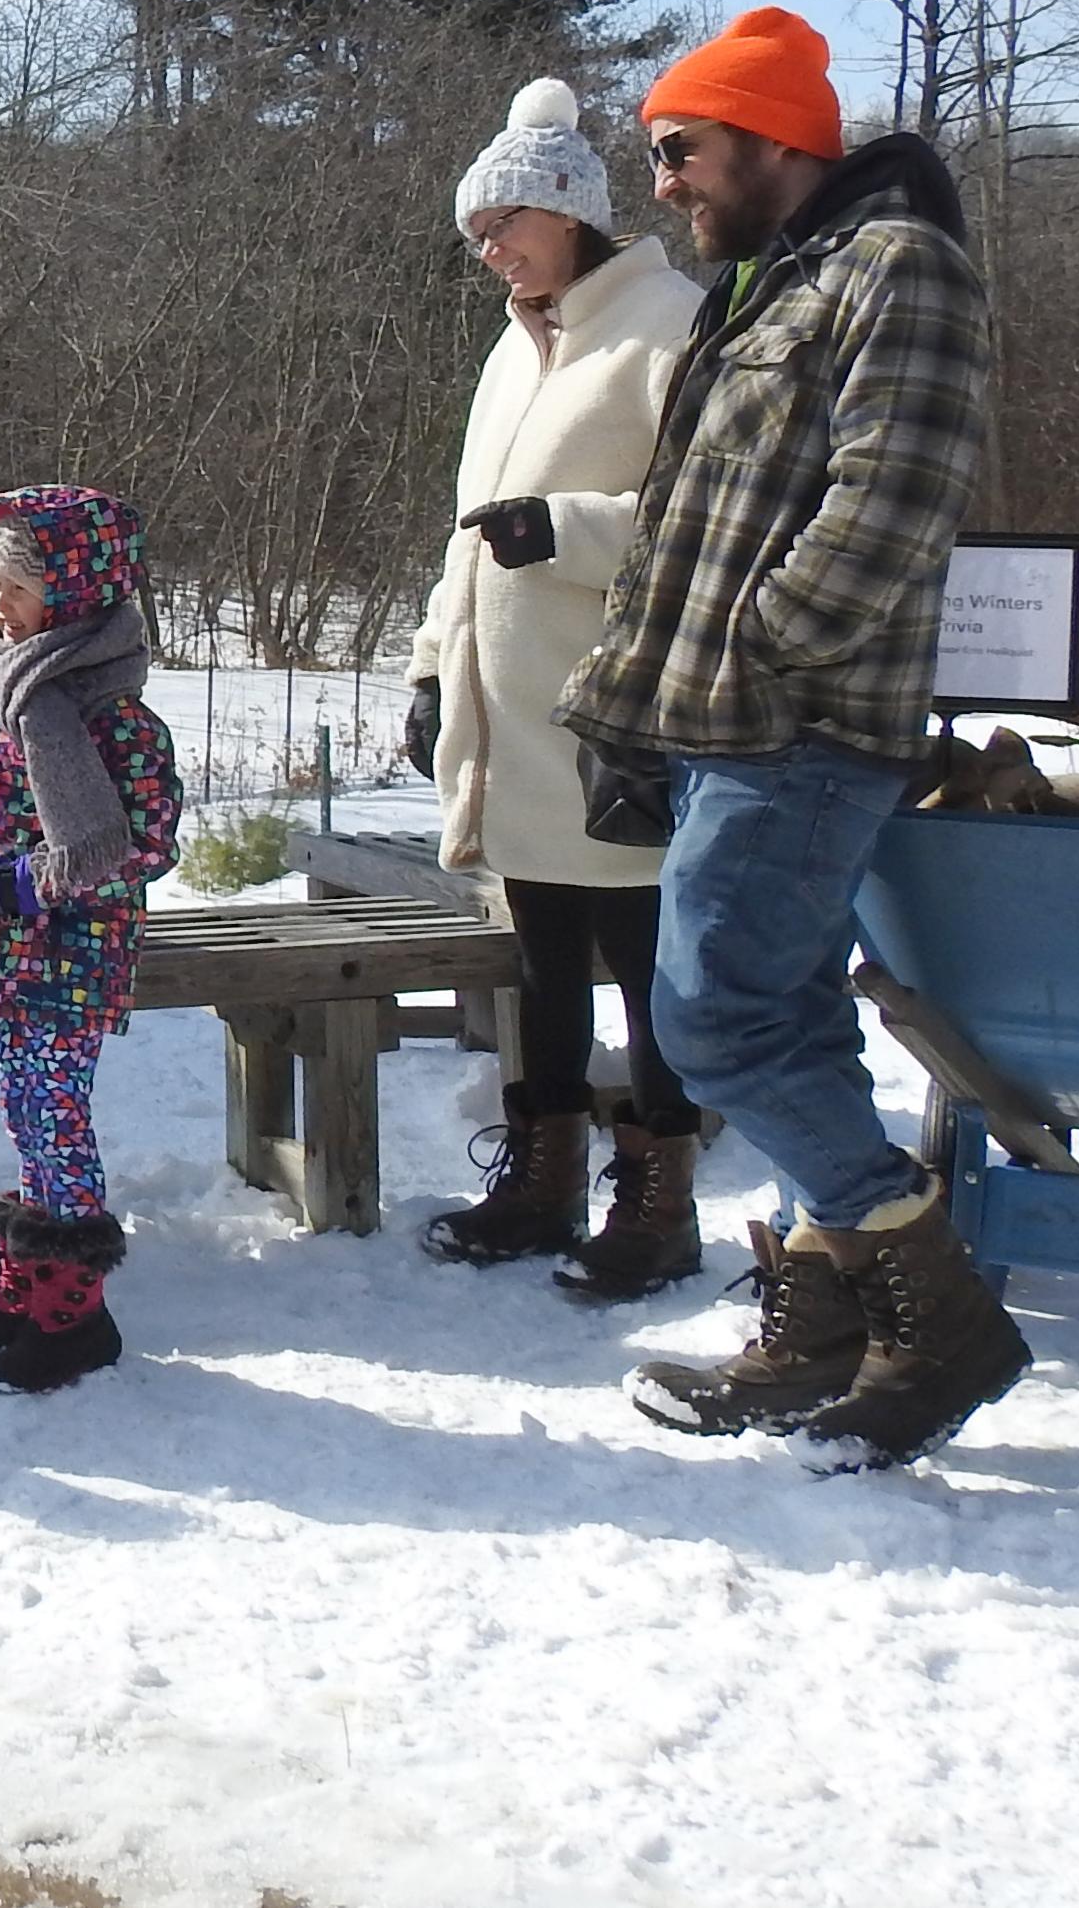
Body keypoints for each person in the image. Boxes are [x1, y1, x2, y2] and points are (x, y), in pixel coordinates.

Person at [556, 7, 1023, 1471]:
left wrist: (764, 651)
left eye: (680, 148)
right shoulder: (765, 288)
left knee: (714, 1021)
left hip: (796, 731)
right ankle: (824, 1330)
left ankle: (928, 1303)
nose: (663, 182)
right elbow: (688, 534)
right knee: (790, 1017)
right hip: (720, 731)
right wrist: (629, 708)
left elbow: (895, 498)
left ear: (770, 137)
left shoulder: (897, 267)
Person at [402, 78, 714, 1298]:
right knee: (535, 967)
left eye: (503, 226)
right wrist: (433, 664)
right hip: (506, 719)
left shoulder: (668, 327)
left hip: (616, 721)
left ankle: (658, 1200)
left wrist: (569, 532)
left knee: (646, 970)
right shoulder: (509, 347)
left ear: (567, 211)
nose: (488, 251)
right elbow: (462, 536)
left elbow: (708, 524)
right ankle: (537, 1177)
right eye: (475, 234)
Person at [0, 488, 184, 1394]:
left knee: (58, 1120)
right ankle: (25, 1286)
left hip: (70, 953)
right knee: (25, 1115)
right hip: (1, 944)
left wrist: (30, 881)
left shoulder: (113, 715)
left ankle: (76, 1316)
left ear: (74, 590)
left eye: (14, 588)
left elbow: (142, 844)